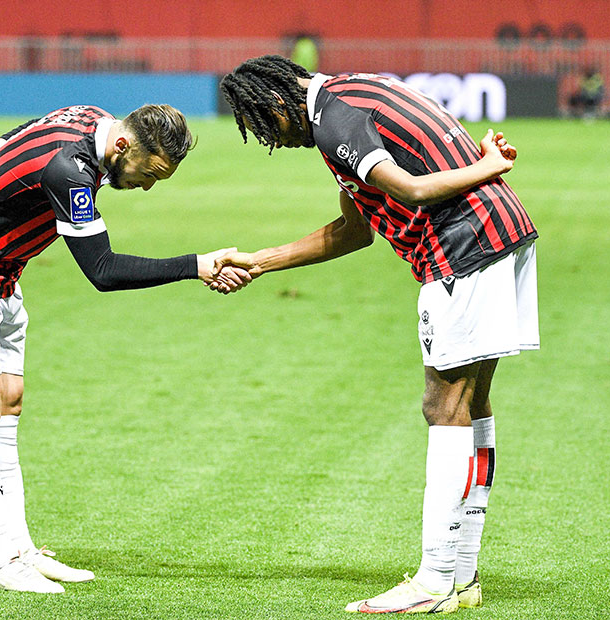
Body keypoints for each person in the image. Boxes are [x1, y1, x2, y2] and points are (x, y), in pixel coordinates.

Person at [217, 55, 538, 614]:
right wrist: (261, 261)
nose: (274, 141)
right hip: (500, 235)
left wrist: (489, 166)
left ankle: (434, 582)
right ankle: (462, 576)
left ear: (277, 104)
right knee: (472, 403)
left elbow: (410, 191)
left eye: (267, 129)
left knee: (444, 405)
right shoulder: (356, 92)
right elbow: (355, 229)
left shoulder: (335, 119)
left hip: (461, 249)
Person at [0, 103, 249, 593]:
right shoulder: (71, 172)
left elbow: (32, 123)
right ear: (123, 146)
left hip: (1, 274)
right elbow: (103, 271)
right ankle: (0, 561)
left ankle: (20, 549)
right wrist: (195, 264)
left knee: (8, 403)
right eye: (148, 173)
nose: (147, 187)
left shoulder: (93, 116)